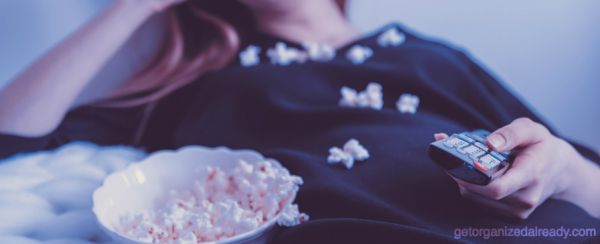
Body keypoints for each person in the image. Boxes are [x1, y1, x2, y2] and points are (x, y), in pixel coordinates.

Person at [0, 0, 598, 242]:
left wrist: (565, 169)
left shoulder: (431, 55)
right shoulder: (203, 79)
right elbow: (11, 136)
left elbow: (588, 185)